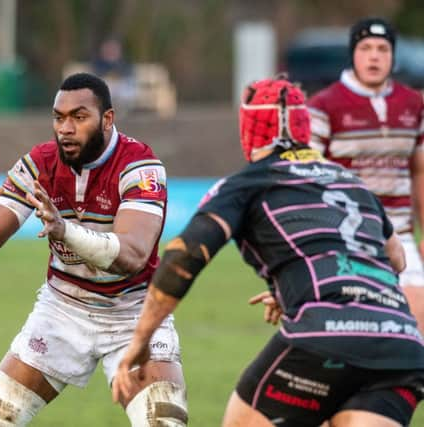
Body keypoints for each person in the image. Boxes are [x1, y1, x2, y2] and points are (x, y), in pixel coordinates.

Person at [112, 77, 424, 427]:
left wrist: (140, 341)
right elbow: (395, 258)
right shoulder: (351, 183)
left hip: (324, 333)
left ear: (249, 128)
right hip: (401, 343)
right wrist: (297, 286)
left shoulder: (246, 184)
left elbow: (183, 257)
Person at [0, 73, 187, 426]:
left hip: (134, 313)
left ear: (107, 119)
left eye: (79, 117)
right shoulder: (39, 164)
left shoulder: (140, 166)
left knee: (165, 423)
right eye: (58, 117)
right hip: (64, 309)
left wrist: (65, 230)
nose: (65, 128)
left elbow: (132, 256)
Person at [307, 17, 424, 335]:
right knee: (351, 333)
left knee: (417, 326)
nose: (374, 56)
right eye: (366, 48)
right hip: (343, 237)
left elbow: (419, 170)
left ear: (393, 55)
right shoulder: (323, 105)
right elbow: (307, 177)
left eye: (383, 49)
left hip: (400, 232)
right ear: (353, 54)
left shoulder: (413, 104)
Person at [91, 38, 136, 113]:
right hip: (106, 87)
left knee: (127, 89)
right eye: (109, 49)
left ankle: (122, 111)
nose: (111, 51)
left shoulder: (123, 63)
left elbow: (128, 74)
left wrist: (118, 76)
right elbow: (96, 75)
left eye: (114, 49)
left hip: (120, 87)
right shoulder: (98, 63)